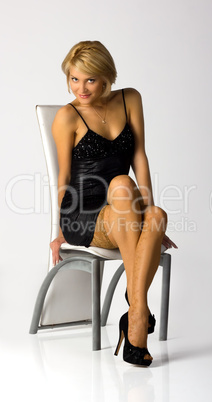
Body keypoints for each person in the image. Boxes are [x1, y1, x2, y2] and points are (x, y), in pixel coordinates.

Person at [50, 40, 177, 366]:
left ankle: (134, 310)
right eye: (74, 79)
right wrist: (57, 230)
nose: (81, 88)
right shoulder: (67, 116)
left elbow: (139, 155)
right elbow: (63, 176)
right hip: (83, 212)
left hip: (125, 207)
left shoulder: (130, 98)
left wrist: (148, 217)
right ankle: (138, 316)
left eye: (90, 79)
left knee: (157, 213)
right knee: (122, 184)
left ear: (107, 76)